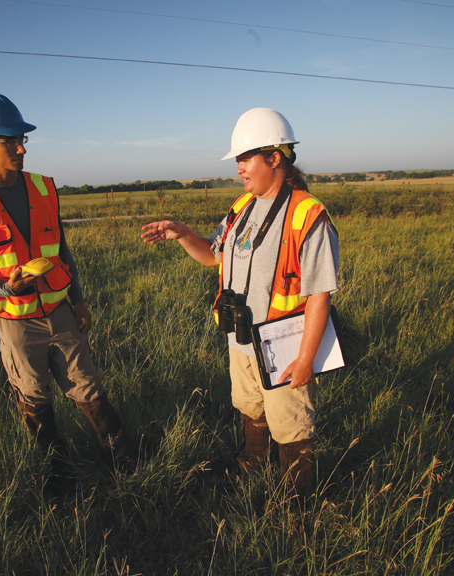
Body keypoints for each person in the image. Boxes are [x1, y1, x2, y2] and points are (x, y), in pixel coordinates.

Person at [141, 108, 339, 499]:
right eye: (238, 160)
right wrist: (182, 234)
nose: (239, 168)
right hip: (241, 341)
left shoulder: (307, 215)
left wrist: (305, 358)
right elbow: (212, 256)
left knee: (292, 427)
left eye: (245, 158)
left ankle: (297, 504)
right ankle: (251, 469)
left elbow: (320, 294)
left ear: (275, 158)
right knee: (251, 410)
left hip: (284, 348)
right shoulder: (241, 207)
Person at [0, 92, 133, 473]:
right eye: (9, 141)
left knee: (89, 386)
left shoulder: (43, 187)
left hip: (61, 312)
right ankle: (56, 475)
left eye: (21, 139)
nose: (20, 148)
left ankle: (125, 462)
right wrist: (4, 289)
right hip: (15, 321)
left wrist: (78, 301)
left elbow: (62, 252)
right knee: (35, 398)